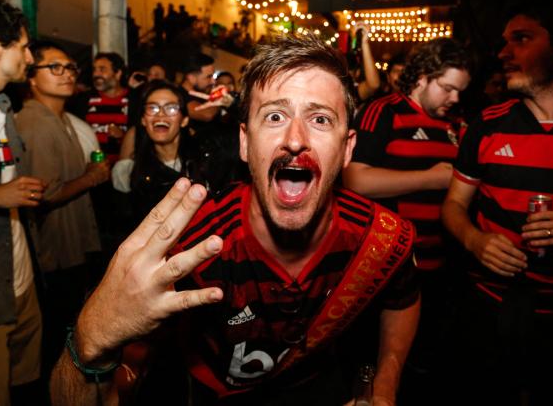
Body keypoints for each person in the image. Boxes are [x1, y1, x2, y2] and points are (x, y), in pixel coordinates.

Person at [50, 33, 420, 406]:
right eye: (275, 116)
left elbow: (402, 299)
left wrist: (385, 386)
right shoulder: (192, 246)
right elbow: (105, 389)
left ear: (347, 148)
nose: (295, 139)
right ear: (244, 142)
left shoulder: (381, 236)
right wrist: (91, 343)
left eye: (320, 119)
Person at [441, 0, 553, 405]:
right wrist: (474, 241)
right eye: (504, 42)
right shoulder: (487, 124)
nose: (503, 53)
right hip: (492, 311)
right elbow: (452, 206)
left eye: (521, 39)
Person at [342, 37, 471, 400]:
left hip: (440, 269)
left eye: (460, 91)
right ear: (423, 77)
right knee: (374, 363)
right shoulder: (382, 111)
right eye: (447, 88)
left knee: (424, 368)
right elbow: (354, 180)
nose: (455, 99)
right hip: (385, 269)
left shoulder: (455, 124)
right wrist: (431, 177)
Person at [16, 41, 110, 376]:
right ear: (31, 78)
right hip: (54, 253)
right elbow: (43, 194)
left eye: (70, 67)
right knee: (57, 343)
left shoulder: (61, 118)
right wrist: (92, 178)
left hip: (70, 248)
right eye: (54, 68)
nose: (66, 74)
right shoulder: (37, 123)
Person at [0, 0, 45, 406]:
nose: (30, 58)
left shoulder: (4, 109)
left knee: (26, 389)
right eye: (23, 46)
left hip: (22, 281)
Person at [112, 80, 201, 224]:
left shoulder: (203, 161)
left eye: (171, 108)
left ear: (184, 120)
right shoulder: (134, 173)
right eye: (152, 108)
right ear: (143, 120)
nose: (160, 115)